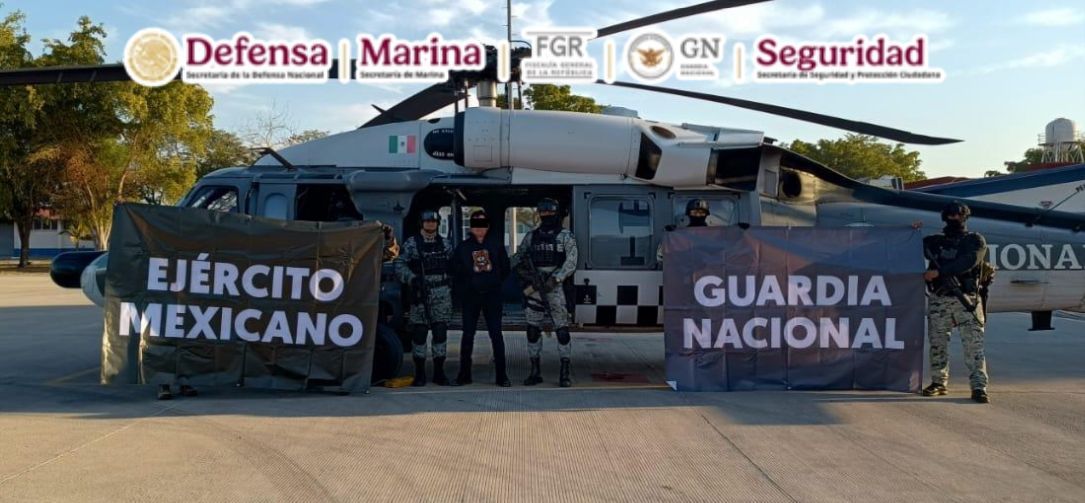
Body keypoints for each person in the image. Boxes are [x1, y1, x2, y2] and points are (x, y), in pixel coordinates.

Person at [922, 201, 991, 403]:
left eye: (958, 215)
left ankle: (979, 387)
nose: (954, 218)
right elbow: (905, 244)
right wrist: (911, 230)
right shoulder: (934, 242)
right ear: (945, 217)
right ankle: (938, 383)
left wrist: (939, 272)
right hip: (940, 299)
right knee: (937, 343)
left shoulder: (975, 240)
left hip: (966, 299)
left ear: (965, 217)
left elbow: (968, 261)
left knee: (974, 346)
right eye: (951, 215)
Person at [511, 198, 579, 387]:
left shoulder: (565, 236)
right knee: (533, 330)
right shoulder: (531, 237)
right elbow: (519, 257)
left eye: (550, 213)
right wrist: (505, 267)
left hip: (556, 288)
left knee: (562, 331)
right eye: (544, 213)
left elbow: (571, 261)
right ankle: (535, 371)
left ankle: (564, 372)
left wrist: (556, 279)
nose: (547, 216)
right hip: (534, 288)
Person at [451, 210, 511, 387]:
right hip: (471, 296)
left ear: (488, 226)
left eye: (482, 224)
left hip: (492, 296)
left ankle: (502, 376)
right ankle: (464, 374)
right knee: (468, 335)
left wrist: (493, 280)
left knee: (496, 334)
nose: (479, 228)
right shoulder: (463, 248)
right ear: (471, 227)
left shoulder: (496, 245)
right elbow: (454, 270)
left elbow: (505, 268)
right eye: (476, 225)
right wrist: (468, 284)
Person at [395, 210, 454, 386]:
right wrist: (412, 279)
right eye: (427, 221)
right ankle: (420, 373)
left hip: (442, 293)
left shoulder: (445, 244)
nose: (430, 224)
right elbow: (399, 263)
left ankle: (439, 372)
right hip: (421, 293)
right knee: (419, 334)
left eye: (433, 221)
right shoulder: (412, 244)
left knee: (440, 332)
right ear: (422, 223)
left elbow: (454, 265)